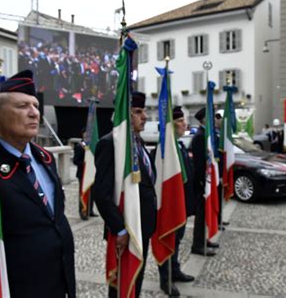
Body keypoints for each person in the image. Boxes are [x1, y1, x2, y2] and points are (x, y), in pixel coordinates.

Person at [0, 70, 76, 297]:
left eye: (35, 106)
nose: (33, 113)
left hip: (59, 280)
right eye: (22, 107)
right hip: (19, 286)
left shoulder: (44, 158)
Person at [93, 91, 157, 298]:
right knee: (121, 284)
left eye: (144, 111)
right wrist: (120, 229)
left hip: (142, 226)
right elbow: (101, 193)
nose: (144, 116)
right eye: (138, 112)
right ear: (124, 115)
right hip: (125, 228)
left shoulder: (139, 142)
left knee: (135, 280)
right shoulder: (110, 144)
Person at [157, 107, 196, 296]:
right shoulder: (165, 148)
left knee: (178, 240)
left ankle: (175, 270)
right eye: (180, 121)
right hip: (169, 206)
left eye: (184, 121)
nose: (185, 124)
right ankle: (165, 280)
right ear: (171, 125)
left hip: (181, 204)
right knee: (168, 239)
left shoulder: (179, 145)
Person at [190, 107, 217, 257]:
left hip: (205, 181)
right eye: (210, 116)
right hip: (201, 183)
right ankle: (197, 244)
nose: (213, 119)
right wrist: (203, 182)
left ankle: (204, 240)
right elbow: (199, 163)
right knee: (200, 215)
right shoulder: (200, 136)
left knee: (205, 213)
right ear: (203, 120)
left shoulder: (205, 134)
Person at [72, 129, 97, 220]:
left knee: (92, 193)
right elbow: (75, 161)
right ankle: (83, 211)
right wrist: (85, 164)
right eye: (86, 133)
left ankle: (90, 210)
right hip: (82, 173)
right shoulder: (79, 146)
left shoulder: (92, 146)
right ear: (83, 134)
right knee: (83, 193)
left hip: (91, 173)